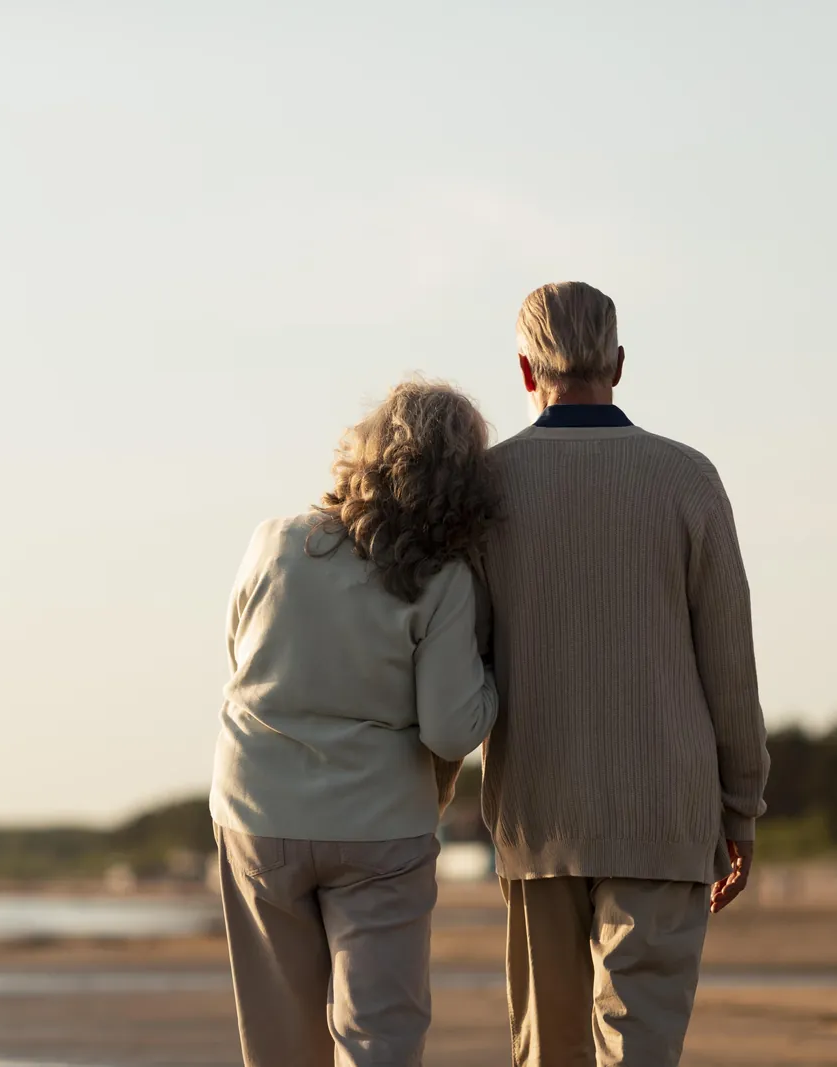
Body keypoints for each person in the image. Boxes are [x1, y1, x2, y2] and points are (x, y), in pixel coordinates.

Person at [482, 282, 771, 1066]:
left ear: (523, 369)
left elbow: (460, 660)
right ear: (618, 362)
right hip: (663, 812)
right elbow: (730, 664)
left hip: (538, 815)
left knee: (550, 1052)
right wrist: (740, 807)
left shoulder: (487, 488)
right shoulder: (687, 479)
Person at [210, 379, 502, 1067]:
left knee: (280, 1043)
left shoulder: (274, 542)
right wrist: (494, 682)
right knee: (380, 1039)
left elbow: (238, 651)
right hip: (380, 825)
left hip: (259, 812)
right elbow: (451, 730)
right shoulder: (444, 579)